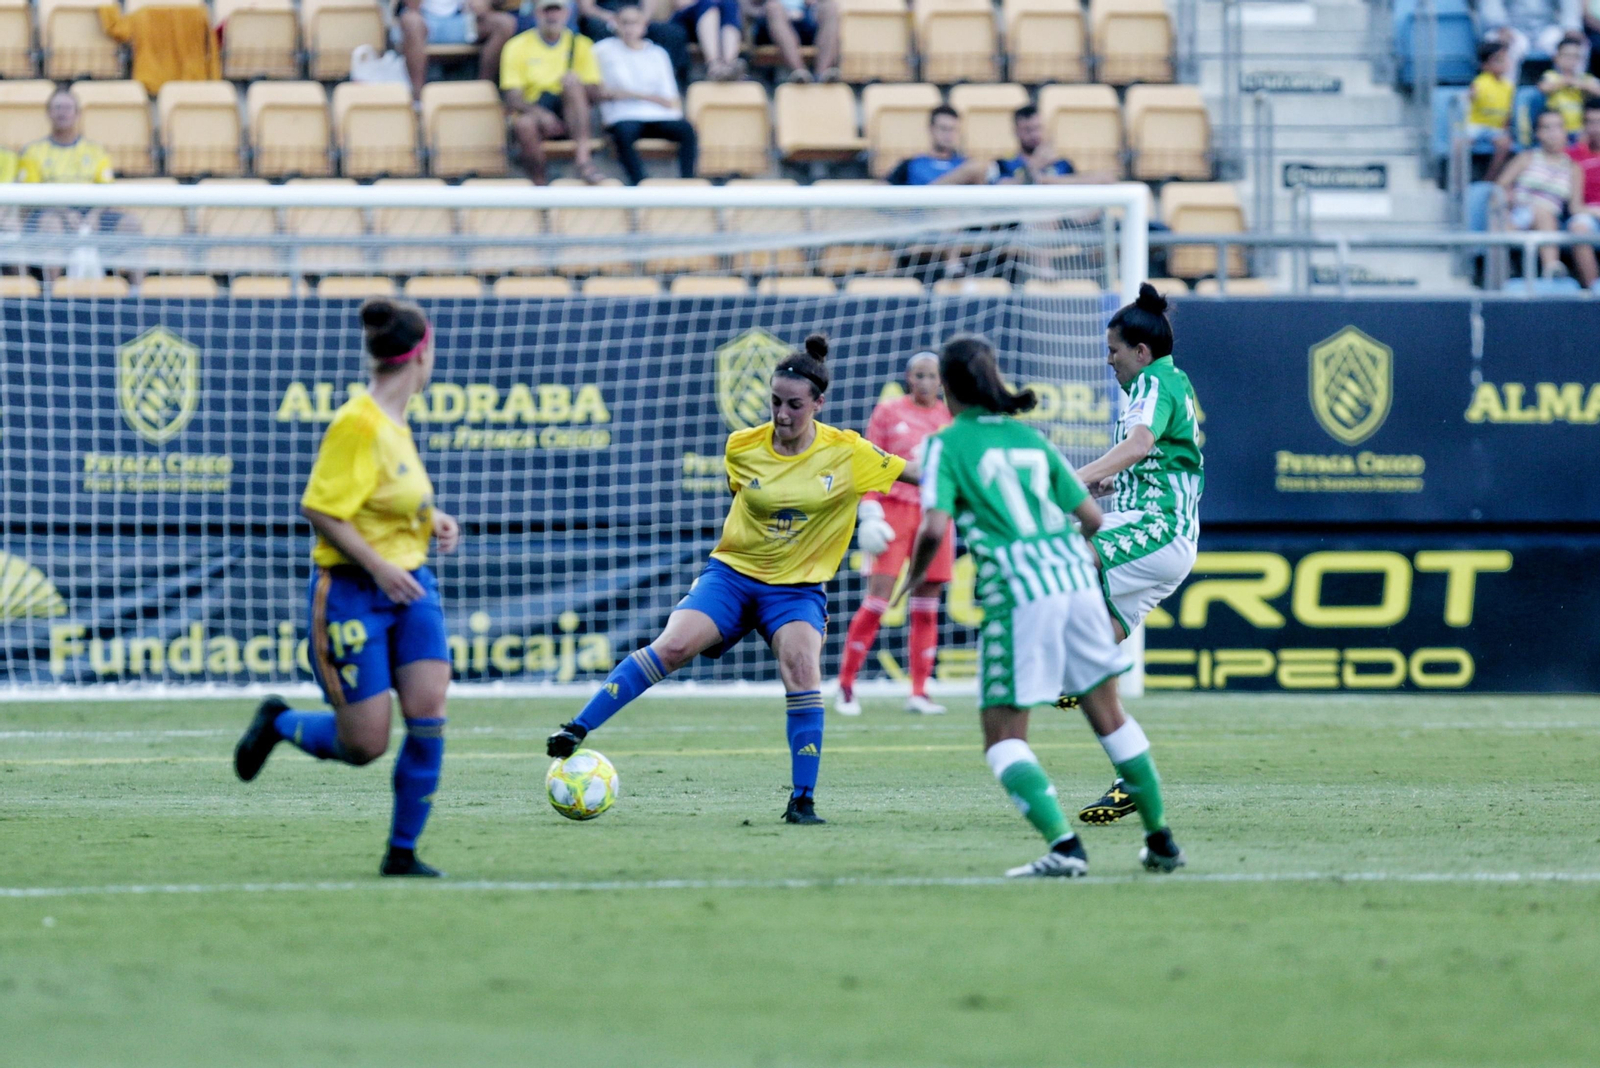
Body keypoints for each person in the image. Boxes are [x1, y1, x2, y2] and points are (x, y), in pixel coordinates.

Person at [545, 335, 919, 825]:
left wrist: (980, 478)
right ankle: (576, 728)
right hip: (733, 576)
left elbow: (920, 474)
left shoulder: (848, 452)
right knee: (673, 646)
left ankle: (802, 800)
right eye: (775, 402)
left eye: (795, 405)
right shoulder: (742, 447)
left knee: (802, 668)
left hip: (797, 589)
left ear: (818, 405)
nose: (782, 415)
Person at [894, 334, 1184, 878]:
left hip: (1020, 592)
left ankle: (1066, 847)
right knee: (1110, 717)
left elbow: (934, 528)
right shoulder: (1033, 443)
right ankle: (1161, 839)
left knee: (1003, 738)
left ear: (949, 391)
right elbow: (1094, 522)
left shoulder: (944, 445)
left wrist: (914, 576)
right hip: (1076, 583)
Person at [233, 299, 462, 879]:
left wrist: (430, 520)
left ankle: (402, 853)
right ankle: (280, 722)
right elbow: (321, 509)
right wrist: (380, 566)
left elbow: (387, 498)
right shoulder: (358, 423)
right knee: (364, 746)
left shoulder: (395, 423)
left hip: (413, 589)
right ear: (423, 354)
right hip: (355, 592)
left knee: (429, 710)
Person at [1069, 285, 1204, 827]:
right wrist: (1104, 487)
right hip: (1161, 537)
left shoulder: (1152, 381)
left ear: (1141, 351)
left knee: (1062, 558)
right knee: (1088, 671)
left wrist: (1075, 478)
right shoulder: (1170, 382)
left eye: (1114, 351)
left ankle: (1079, 662)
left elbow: (1142, 444)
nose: (1110, 361)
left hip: (1159, 530)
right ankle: (1131, 778)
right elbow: (1157, 459)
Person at [834, 352, 952, 717]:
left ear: (942, 381)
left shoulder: (950, 418)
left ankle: (919, 691)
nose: (926, 382)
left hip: (936, 512)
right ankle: (846, 687)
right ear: (908, 378)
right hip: (895, 510)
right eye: (919, 375)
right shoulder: (888, 412)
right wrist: (869, 511)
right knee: (878, 601)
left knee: (927, 605)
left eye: (932, 376)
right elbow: (869, 461)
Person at [501, 0, 603, 184]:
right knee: (524, 124)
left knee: (572, 85)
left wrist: (578, 83)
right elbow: (512, 96)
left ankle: (583, 161)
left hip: (570, 109)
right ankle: (539, 182)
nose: (552, 16)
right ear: (536, 14)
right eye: (546, 11)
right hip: (535, 106)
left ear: (567, 14)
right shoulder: (516, 46)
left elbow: (595, 93)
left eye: (557, 10)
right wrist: (540, 114)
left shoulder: (581, 44)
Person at [594, 4, 698, 183]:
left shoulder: (658, 53)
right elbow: (599, 90)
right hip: (623, 115)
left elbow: (669, 99)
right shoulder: (601, 50)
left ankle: (687, 182)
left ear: (644, 26)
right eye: (624, 23)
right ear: (616, 24)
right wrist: (649, 97)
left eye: (634, 23)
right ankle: (639, 183)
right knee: (623, 133)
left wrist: (628, 94)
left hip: (658, 115)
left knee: (687, 131)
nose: (629, 28)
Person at [1498, 108, 1587, 278]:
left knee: (1543, 212)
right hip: (1518, 212)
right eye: (1547, 128)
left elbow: (1575, 206)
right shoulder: (1526, 158)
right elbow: (1500, 186)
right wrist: (1507, 200)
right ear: (1538, 133)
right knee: (1500, 220)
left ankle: (1551, 269)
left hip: (1549, 219)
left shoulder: (1574, 169)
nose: (1553, 133)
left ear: (1565, 132)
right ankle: (1498, 276)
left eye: (1558, 127)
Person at [393, 0, 518, 100]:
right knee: (411, 21)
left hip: (463, 19)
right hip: (425, 20)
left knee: (504, 23)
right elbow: (411, 6)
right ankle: (418, 97)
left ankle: (483, 90)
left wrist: (486, 3)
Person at [576, 0, 690, 89]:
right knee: (596, 27)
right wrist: (615, 19)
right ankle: (605, 83)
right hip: (605, 18)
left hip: (636, 17)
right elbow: (587, 8)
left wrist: (641, 21)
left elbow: (649, 4)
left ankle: (676, 82)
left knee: (674, 33)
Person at [990, 105, 1115, 185]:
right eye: (1028, 130)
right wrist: (1035, 166)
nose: (1034, 135)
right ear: (1015, 132)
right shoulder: (1004, 163)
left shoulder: (1061, 163)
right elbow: (1000, 187)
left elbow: (1105, 179)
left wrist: (1046, 181)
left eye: (1038, 128)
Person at [1481, 0, 1581, 83]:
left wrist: (1571, 27)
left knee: (1575, 44)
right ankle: (1503, 97)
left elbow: (1568, 4)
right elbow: (1492, 4)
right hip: (1512, 27)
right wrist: (1500, 25)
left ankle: (1572, 94)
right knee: (1497, 41)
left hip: (1546, 27)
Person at [887, 105, 988, 186]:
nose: (948, 135)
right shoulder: (911, 165)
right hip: (921, 211)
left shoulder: (965, 164)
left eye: (953, 130)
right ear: (931, 129)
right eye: (943, 129)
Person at [750, 0, 839, 83]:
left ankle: (821, 75)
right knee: (774, 7)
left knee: (830, 8)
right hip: (771, 21)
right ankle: (800, 73)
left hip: (805, 15)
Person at [1465, 40, 1516, 180]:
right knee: (1461, 142)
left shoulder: (1509, 87)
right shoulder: (1480, 82)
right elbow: (1467, 101)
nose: (1504, 63)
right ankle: (1459, 178)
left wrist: (1505, 128)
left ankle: (1490, 178)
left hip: (1495, 129)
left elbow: (1509, 112)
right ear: (1485, 65)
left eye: (1505, 60)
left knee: (1505, 144)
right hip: (1476, 126)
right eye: (1498, 60)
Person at [1565, 96, 1600, 287]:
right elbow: (1575, 206)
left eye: (1599, 122)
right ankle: (1595, 292)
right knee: (1578, 228)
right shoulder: (1573, 155)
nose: (1595, 128)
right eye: (1590, 122)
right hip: (1587, 213)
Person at [1538, 33, 1600, 135]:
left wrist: (1582, 85)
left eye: (1575, 56)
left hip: (1581, 130)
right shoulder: (1551, 76)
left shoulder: (1585, 79)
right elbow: (1543, 87)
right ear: (1556, 57)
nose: (1570, 60)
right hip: (1557, 129)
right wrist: (1565, 81)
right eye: (1567, 55)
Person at [674, 0, 744, 80]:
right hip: (685, 22)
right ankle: (714, 65)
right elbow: (682, 4)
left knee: (730, 4)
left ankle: (729, 65)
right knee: (707, 3)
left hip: (717, 22)